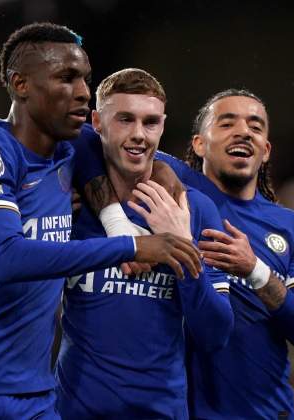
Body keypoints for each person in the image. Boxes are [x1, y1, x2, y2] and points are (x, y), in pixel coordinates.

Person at [0, 23, 201, 420]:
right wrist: (132, 245)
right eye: (66, 78)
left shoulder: (72, 145)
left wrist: (164, 173)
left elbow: (133, 154)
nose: (84, 92)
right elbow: (7, 259)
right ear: (20, 84)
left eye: (85, 78)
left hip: (32, 392)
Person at [74, 88, 294, 419]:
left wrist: (254, 269)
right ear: (198, 144)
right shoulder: (182, 193)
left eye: (255, 126)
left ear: (265, 151)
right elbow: (87, 137)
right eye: (226, 123)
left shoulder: (288, 225)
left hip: (265, 411)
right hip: (187, 408)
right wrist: (112, 215)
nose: (244, 132)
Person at [55, 68, 233, 419]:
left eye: (150, 122)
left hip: (160, 412)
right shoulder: (67, 203)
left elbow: (215, 334)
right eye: (125, 119)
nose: (139, 135)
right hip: (73, 410)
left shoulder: (194, 209)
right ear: (97, 122)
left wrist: (183, 247)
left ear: (163, 126)